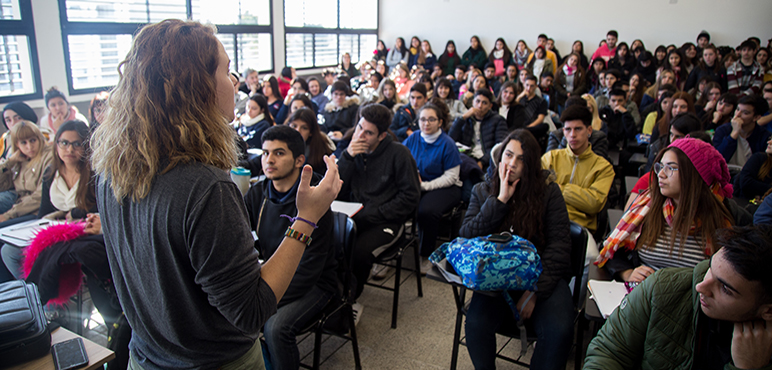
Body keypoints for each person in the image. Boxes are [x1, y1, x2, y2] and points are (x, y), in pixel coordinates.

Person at [89, 19, 341, 369]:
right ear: (197, 85)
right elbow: (251, 311)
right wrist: (306, 219)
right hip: (215, 361)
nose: (234, 85)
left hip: (148, 355)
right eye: (225, 71)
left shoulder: (110, 169)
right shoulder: (204, 187)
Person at [461, 129, 573, 370]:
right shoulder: (483, 191)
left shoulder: (548, 193)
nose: (512, 163)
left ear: (531, 163)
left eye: (521, 158)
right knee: (476, 324)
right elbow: (466, 237)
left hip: (541, 276)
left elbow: (560, 247)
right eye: (508, 155)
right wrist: (499, 201)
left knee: (560, 330)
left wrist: (535, 290)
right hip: (497, 278)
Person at [586, 225, 772, 370]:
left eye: (725, 288)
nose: (701, 286)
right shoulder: (663, 287)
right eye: (710, 268)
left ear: (768, 311)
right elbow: (609, 351)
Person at [243, 125, 336, 370]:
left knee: (275, 327)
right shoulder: (257, 194)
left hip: (316, 283)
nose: (269, 160)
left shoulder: (315, 199)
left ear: (299, 160)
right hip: (274, 276)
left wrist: (265, 300)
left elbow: (310, 268)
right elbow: (240, 238)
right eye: (265, 153)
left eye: (279, 153)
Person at [597, 138, 750, 283]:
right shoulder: (647, 206)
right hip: (646, 295)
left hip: (698, 302)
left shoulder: (728, 216)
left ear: (696, 175)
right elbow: (612, 248)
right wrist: (628, 272)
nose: (660, 175)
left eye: (671, 168)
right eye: (660, 167)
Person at [336, 104, 420, 298]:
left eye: (368, 133)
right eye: (359, 128)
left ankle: (350, 301)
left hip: (386, 221)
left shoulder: (399, 154)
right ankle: (335, 296)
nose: (360, 136)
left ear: (381, 136)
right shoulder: (351, 150)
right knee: (328, 243)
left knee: (358, 253)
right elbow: (336, 190)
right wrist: (347, 157)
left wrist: (375, 213)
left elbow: (410, 197)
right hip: (355, 216)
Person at [1, 120, 96, 280]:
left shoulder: (94, 173)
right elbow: (44, 212)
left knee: (19, 253)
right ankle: (30, 294)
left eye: (76, 144)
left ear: (86, 145)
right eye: (64, 143)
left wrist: (72, 213)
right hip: (55, 225)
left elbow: (95, 210)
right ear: (57, 144)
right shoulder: (51, 172)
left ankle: (42, 296)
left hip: (84, 228)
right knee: (8, 249)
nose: (69, 149)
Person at [403, 103, 462, 271]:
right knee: (397, 202)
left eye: (431, 120)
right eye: (422, 119)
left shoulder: (447, 143)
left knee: (426, 211)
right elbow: (402, 160)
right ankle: (391, 247)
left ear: (440, 122)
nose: (426, 124)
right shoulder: (414, 138)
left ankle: (426, 255)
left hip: (446, 187)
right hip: (419, 184)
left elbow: (451, 177)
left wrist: (424, 186)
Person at [542, 105, 614, 234]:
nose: (572, 135)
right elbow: (538, 191)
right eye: (568, 129)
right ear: (563, 131)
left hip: (580, 230)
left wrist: (558, 188)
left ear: (589, 130)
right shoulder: (551, 158)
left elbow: (594, 203)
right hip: (546, 222)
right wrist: (579, 195)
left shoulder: (603, 167)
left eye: (578, 129)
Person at [0, 122, 53, 224]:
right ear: (17, 144)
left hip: (34, 209)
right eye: (23, 143)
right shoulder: (19, 157)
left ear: (40, 139)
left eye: (33, 140)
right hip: (17, 202)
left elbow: (40, 196)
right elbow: (3, 186)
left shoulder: (48, 156)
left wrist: (8, 215)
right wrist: (9, 162)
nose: (29, 147)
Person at [449, 88, 508, 170]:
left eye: (484, 103)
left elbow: (499, 147)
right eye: (477, 101)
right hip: (468, 158)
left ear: (490, 106)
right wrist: (463, 117)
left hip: (487, 161)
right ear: (473, 102)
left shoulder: (498, 120)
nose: (480, 106)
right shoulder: (466, 119)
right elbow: (451, 138)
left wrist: (482, 162)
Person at [713, 94, 771, 167]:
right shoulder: (722, 130)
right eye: (737, 109)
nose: (737, 115)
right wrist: (734, 134)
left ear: (756, 117)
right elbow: (718, 160)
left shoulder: (764, 136)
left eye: (745, 113)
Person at [287, 108, 334, 176]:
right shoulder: (280, 145)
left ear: (311, 132)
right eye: (294, 126)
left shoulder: (320, 151)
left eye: (304, 128)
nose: (298, 131)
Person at [735, 137, 772, 201]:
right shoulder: (759, 158)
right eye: (770, 139)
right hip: (745, 204)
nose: (769, 142)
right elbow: (745, 182)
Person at [517, 75, 550, 141]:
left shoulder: (541, 101)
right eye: (527, 85)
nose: (529, 88)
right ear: (524, 85)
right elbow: (512, 108)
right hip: (520, 125)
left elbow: (540, 119)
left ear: (536, 86)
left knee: (545, 126)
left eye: (532, 86)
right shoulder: (520, 99)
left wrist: (528, 127)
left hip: (533, 127)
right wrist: (520, 96)